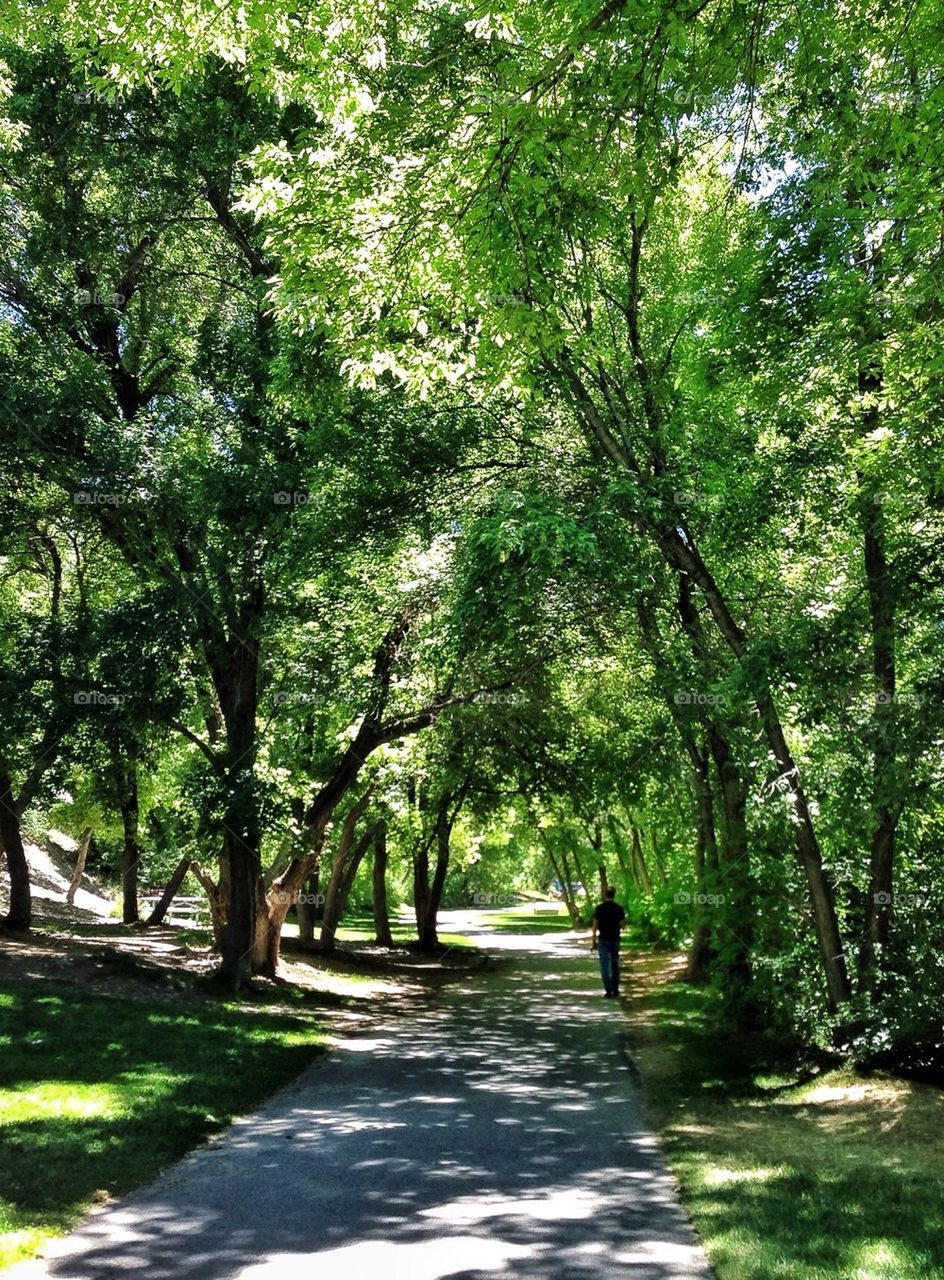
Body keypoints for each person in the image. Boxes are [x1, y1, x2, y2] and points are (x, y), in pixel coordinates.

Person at [591, 887, 626, 998]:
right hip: (615, 939)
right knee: (615, 964)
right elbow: (623, 926)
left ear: (604, 895)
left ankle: (608, 990)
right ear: (614, 895)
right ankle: (615, 989)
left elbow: (595, 927)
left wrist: (593, 942)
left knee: (604, 966)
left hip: (603, 940)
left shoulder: (599, 909)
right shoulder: (619, 909)